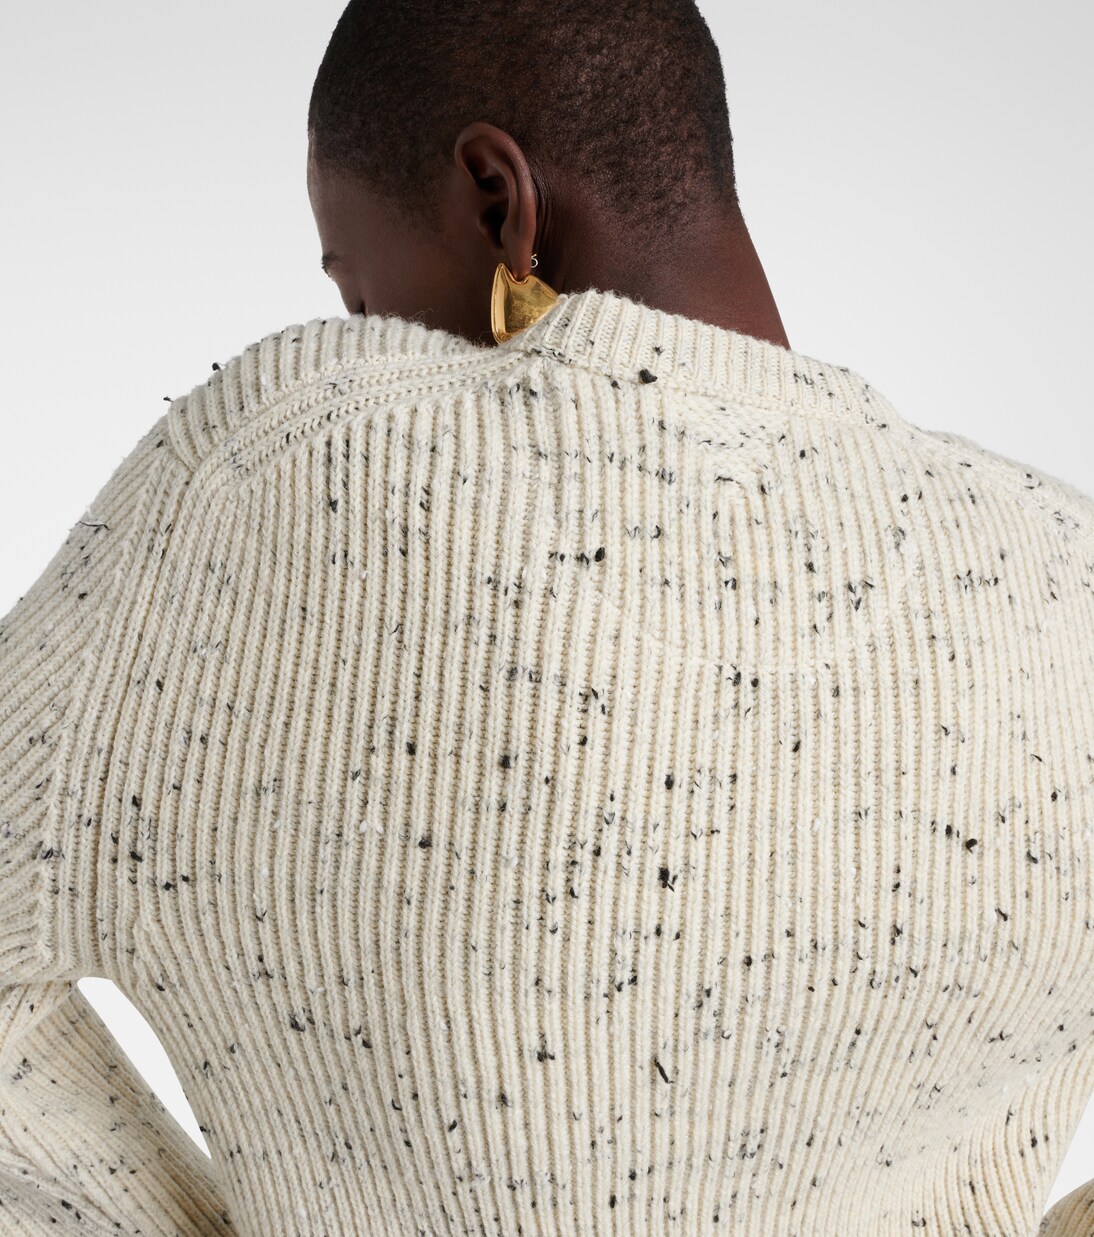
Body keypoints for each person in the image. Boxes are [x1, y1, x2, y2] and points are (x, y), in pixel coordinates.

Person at [1, 1, 1091, 1233]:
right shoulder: (1062, 578)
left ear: (496, 201)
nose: (366, 339)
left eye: (360, 293)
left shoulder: (283, 471)